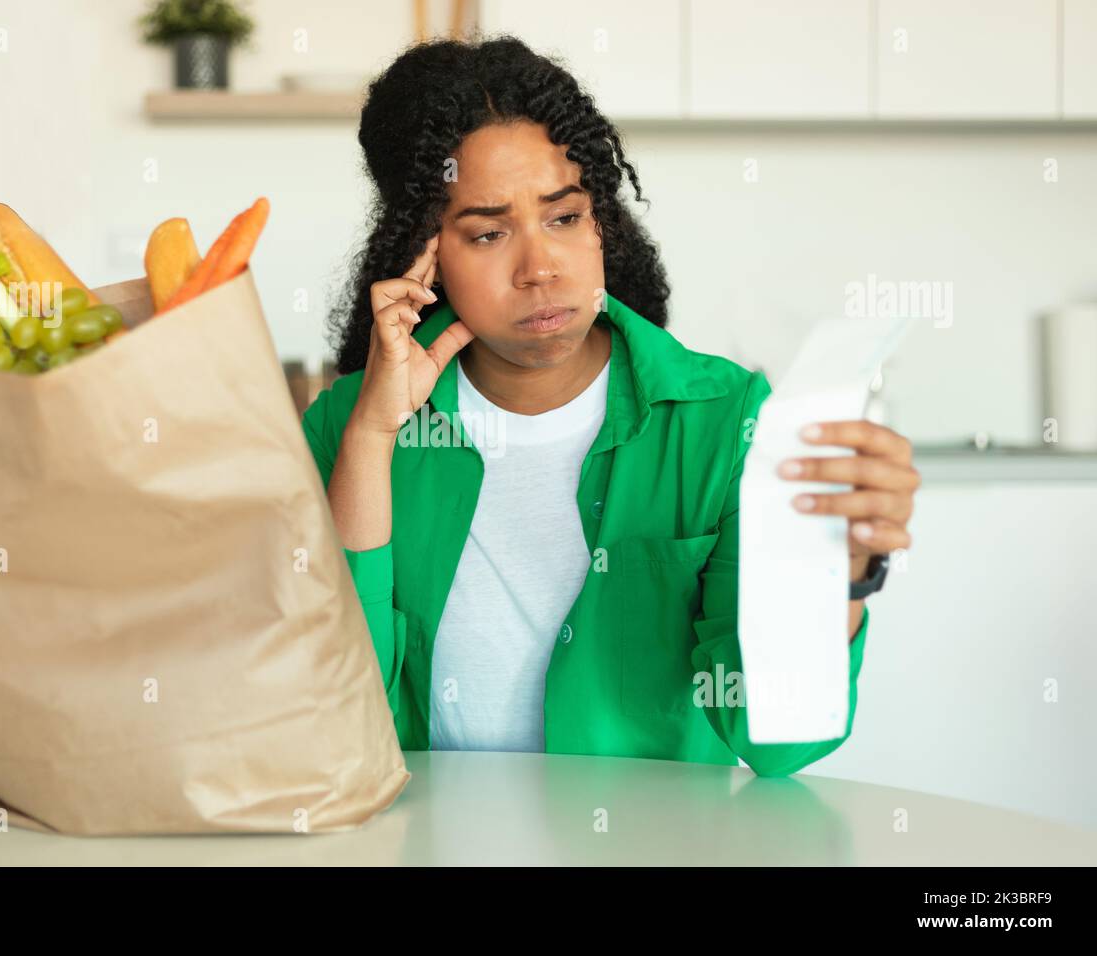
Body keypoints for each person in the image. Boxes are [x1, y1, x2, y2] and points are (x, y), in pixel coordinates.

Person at [301, 35, 918, 777]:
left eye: (564, 218)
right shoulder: (346, 428)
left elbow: (777, 742)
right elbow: (324, 715)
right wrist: (372, 435)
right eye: (489, 232)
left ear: (603, 222)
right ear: (421, 251)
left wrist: (836, 579)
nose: (540, 268)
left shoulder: (723, 420)